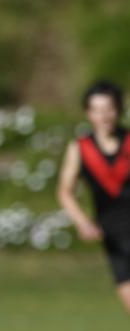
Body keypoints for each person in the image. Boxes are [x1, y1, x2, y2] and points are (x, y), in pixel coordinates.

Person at [57, 81, 130, 314]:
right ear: (88, 113)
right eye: (97, 110)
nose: (104, 116)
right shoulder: (80, 148)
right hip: (114, 238)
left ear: (119, 109)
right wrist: (83, 222)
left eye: (109, 108)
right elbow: (65, 191)